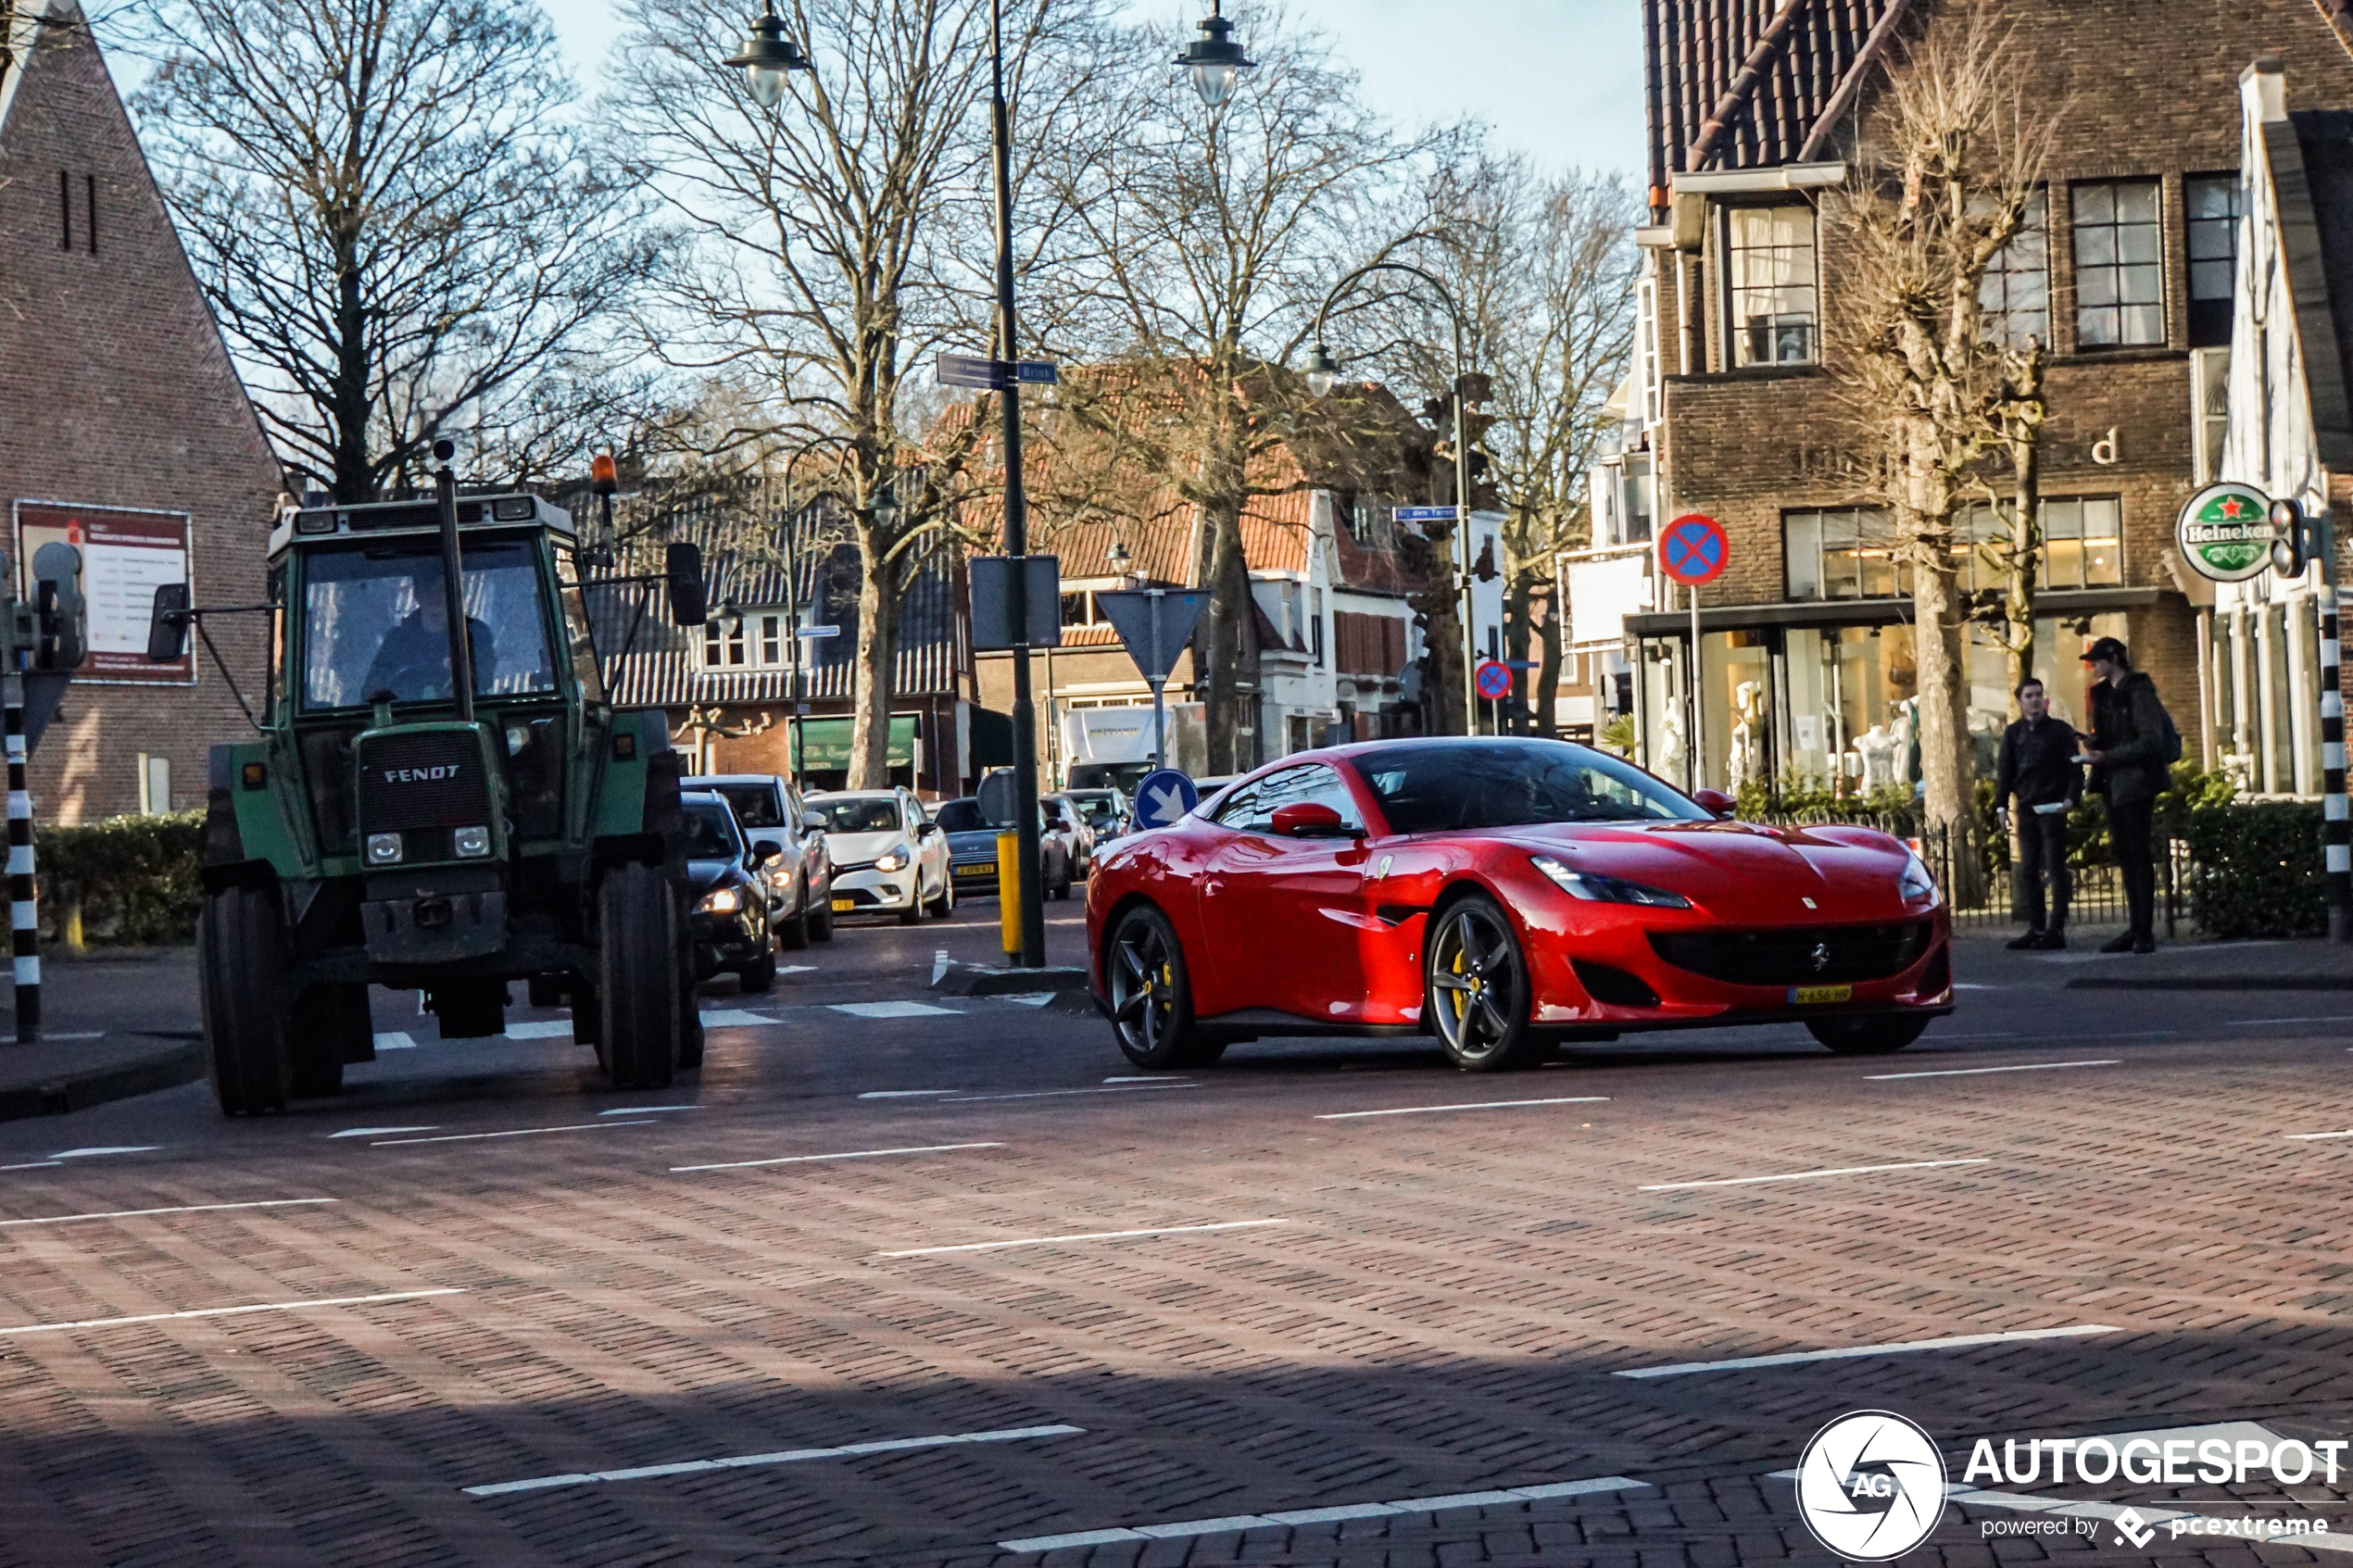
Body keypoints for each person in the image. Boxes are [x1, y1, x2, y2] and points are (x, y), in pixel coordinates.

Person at [2080, 636, 2177, 954]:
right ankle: (2136, 927)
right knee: (2126, 856)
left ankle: (2144, 930)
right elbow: (2109, 737)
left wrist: (2109, 756)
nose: (2092, 665)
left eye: (2097, 660)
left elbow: (2150, 740)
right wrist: (2094, 745)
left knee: (2138, 855)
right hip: (2112, 782)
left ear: (2113, 659)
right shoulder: (2102, 694)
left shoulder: (2139, 691)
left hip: (2136, 783)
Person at [1993, 678, 2082, 950]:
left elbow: (2074, 768)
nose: (2035, 700)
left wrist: (2071, 798)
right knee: (2028, 869)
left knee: (2055, 867)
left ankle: (2056, 928)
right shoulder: (2013, 734)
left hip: (2053, 806)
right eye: (2029, 695)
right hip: (2027, 807)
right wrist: (2001, 805)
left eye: (2038, 695)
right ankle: (2036, 926)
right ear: (2020, 701)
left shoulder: (2060, 731)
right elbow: (2005, 770)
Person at [362, 578, 497, 703]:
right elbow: (371, 691)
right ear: (418, 595)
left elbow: (485, 678)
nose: (435, 599)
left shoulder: (475, 633)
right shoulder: (397, 641)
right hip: (405, 719)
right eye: (427, 591)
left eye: (441, 590)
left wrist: (465, 675)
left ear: (452, 593)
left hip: (464, 714)